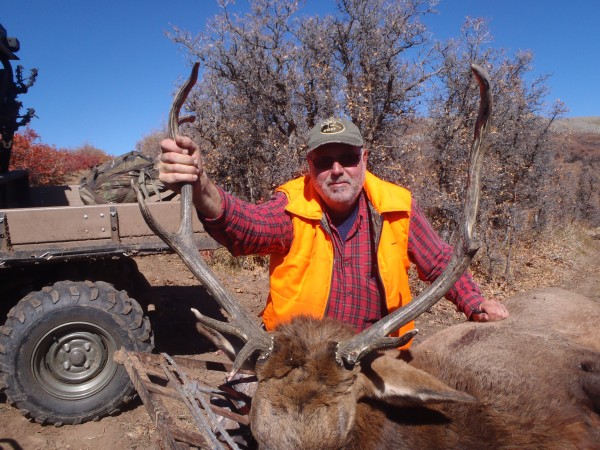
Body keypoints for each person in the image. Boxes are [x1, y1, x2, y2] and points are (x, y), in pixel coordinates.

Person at [158, 117, 509, 341]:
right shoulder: (292, 207)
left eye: (348, 158)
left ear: (364, 160)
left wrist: (475, 303)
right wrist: (202, 187)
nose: (337, 170)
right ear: (309, 167)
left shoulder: (396, 207)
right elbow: (246, 226)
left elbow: (440, 261)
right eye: (324, 162)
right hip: (301, 356)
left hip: (378, 352)